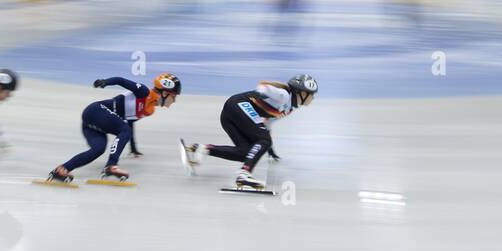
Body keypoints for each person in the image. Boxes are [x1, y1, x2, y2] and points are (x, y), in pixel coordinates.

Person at [187, 74, 316, 190]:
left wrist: (269, 148)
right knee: (264, 140)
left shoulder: (288, 108)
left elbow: (267, 124)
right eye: (311, 94)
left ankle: (203, 149)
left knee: (245, 153)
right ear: (302, 93)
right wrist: (260, 95)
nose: (313, 98)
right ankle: (244, 174)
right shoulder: (284, 95)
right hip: (238, 105)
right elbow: (263, 86)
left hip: (230, 114)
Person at [45, 73, 180, 184]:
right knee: (125, 130)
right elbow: (121, 80)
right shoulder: (144, 92)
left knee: (98, 149)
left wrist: (133, 148)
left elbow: (130, 122)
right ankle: (110, 166)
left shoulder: (149, 110)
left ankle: (62, 170)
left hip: (93, 123)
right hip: (96, 111)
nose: (174, 100)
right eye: (173, 96)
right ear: (164, 93)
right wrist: (105, 82)